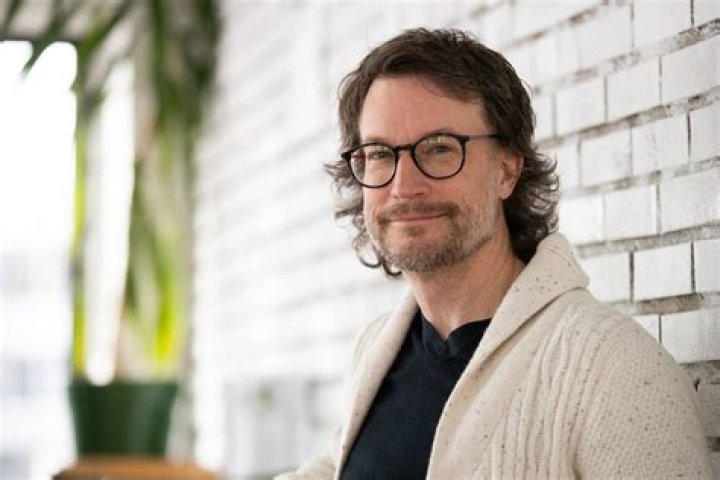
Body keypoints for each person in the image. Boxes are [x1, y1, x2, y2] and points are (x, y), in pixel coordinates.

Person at [278, 28, 712, 479]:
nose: (403, 186)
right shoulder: (376, 350)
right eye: (380, 154)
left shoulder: (612, 369)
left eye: (439, 148)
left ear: (507, 171)